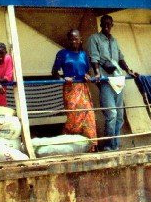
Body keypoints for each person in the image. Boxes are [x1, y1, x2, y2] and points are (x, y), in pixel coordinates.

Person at [87, 14, 138, 151]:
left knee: (120, 116)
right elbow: (94, 57)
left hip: (118, 80)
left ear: (112, 25)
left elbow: (120, 58)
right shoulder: (94, 38)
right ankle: (108, 145)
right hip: (105, 81)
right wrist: (97, 72)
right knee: (112, 114)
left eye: (109, 24)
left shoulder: (114, 41)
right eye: (104, 24)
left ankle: (115, 145)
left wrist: (128, 71)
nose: (106, 26)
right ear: (101, 25)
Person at [52, 29, 97, 147]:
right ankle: (71, 146)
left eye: (76, 39)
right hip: (70, 89)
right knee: (73, 117)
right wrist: (63, 79)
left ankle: (90, 146)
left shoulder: (83, 55)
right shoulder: (62, 54)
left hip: (83, 88)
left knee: (89, 115)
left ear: (80, 39)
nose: (74, 42)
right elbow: (54, 72)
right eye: (71, 39)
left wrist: (88, 76)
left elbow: (87, 72)